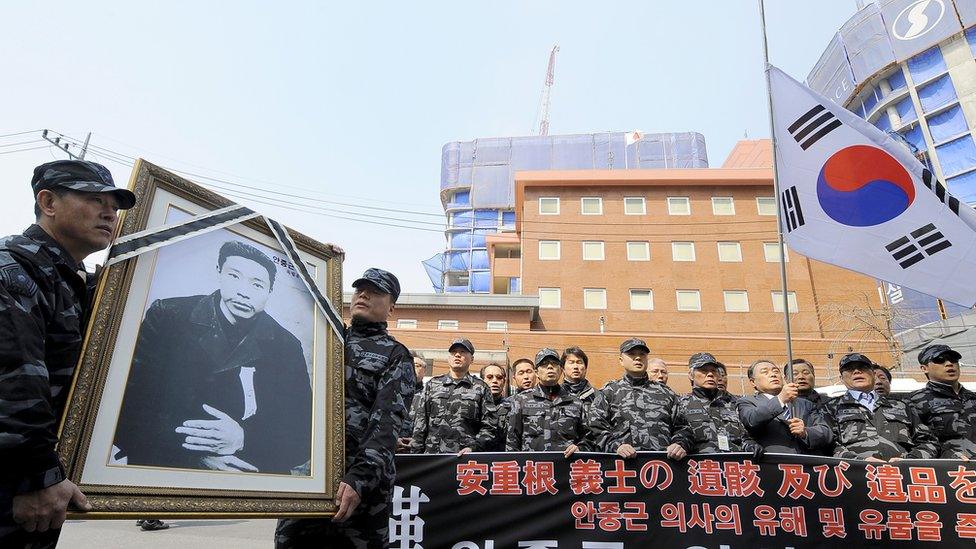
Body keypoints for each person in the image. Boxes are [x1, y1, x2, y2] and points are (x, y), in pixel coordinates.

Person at [0, 160, 135, 547]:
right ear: (48, 202)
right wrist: (35, 475)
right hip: (17, 484)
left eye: (114, 205)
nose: (109, 212)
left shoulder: (77, 282)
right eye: (94, 200)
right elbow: (14, 379)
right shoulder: (13, 271)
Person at [114, 240, 312, 474]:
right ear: (219, 273)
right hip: (165, 473)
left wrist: (243, 439)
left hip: (250, 480)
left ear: (269, 292)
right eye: (234, 276)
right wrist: (192, 460)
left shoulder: (285, 345)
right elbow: (125, 405)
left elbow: (304, 434)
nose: (243, 292)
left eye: (257, 284)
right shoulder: (168, 316)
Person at [276, 268, 416, 548]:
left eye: (375, 291)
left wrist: (359, 479)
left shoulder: (395, 354)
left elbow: (386, 425)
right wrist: (321, 262)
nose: (363, 294)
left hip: (361, 487)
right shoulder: (327, 337)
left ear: (391, 307)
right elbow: (299, 300)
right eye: (359, 288)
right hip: (307, 477)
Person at [821, 353, 937, 462]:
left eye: (862, 367)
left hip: (900, 476)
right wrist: (859, 462)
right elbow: (828, 445)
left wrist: (910, 460)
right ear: (841, 378)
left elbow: (927, 441)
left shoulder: (901, 406)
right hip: (856, 476)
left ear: (873, 374)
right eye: (850, 369)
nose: (857, 371)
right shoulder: (831, 408)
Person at [589, 338, 689, 460]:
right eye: (632, 354)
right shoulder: (609, 392)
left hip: (663, 466)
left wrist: (679, 444)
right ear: (621, 360)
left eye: (642, 354)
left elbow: (683, 427)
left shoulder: (665, 393)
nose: (637, 358)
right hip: (623, 468)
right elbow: (595, 427)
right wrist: (616, 446)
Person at [409, 338, 497, 454]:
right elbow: (420, 423)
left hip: (464, 459)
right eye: (453, 352)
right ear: (448, 357)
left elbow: (490, 425)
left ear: (472, 359)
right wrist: (415, 455)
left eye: (462, 352)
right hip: (433, 457)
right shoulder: (432, 385)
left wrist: (474, 448)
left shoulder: (481, 388)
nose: (457, 355)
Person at [737, 359, 831, 455]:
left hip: (806, 465)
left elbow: (827, 433)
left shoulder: (805, 404)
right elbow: (751, 420)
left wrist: (805, 432)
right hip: (774, 464)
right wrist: (780, 400)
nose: (773, 375)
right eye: (765, 372)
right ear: (753, 382)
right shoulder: (747, 402)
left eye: (776, 371)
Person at [506, 349, 588, 457]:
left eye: (554, 364)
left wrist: (580, 447)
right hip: (533, 468)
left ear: (561, 369)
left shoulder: (575, 402)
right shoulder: (521, 400)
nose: (550, 367)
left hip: (565, 468)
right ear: (536, 372)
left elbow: (588, 437)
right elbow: (512, 440)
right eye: (544, 365)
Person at [677, 353, 762, 456]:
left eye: (713, 371)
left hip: (734, 466)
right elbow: (678, 435)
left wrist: (751, 446)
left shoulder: (735, 402)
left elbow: (745, 436)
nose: (710, 374)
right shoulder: (680, 403)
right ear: (691, 375)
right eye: (704, 370)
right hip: (700, 467)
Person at [907, 344, 976, 459]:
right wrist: (947, 456)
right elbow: (919, 442)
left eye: (953, 359)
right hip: (948, 471)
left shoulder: (973, 398)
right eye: (940, 360)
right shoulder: (914, 401)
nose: (949, 363)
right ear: (924, 368)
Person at [396, 351, 427, 453]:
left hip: (418, 453)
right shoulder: (392, 392)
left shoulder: (429, 395)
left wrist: (417, 441)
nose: (413, 369)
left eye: (417, 366)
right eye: (411, 365)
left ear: (424, 370)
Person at [480, 363, 511, 452]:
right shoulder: (475, 406)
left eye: (499, 378)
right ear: (482, 381)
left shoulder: (513, 406)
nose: (494, 381)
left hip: (504, 458)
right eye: (489, 377)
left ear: (504, 382)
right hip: (479, 457)